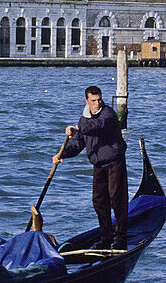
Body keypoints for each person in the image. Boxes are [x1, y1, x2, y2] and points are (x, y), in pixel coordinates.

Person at [53, 85, 128, 250]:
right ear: (87, 101)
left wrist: (77, 128)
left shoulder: (109, 114)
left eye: (99, 99)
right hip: (98, 164)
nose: (97, 103)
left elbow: (98, 126)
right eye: (93, 100)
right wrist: (61, 154)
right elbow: (77, 143)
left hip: (115, 162)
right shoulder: (83, 119)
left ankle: (121, 238)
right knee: (99, 201)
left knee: (117, 199)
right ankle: (106, 238)